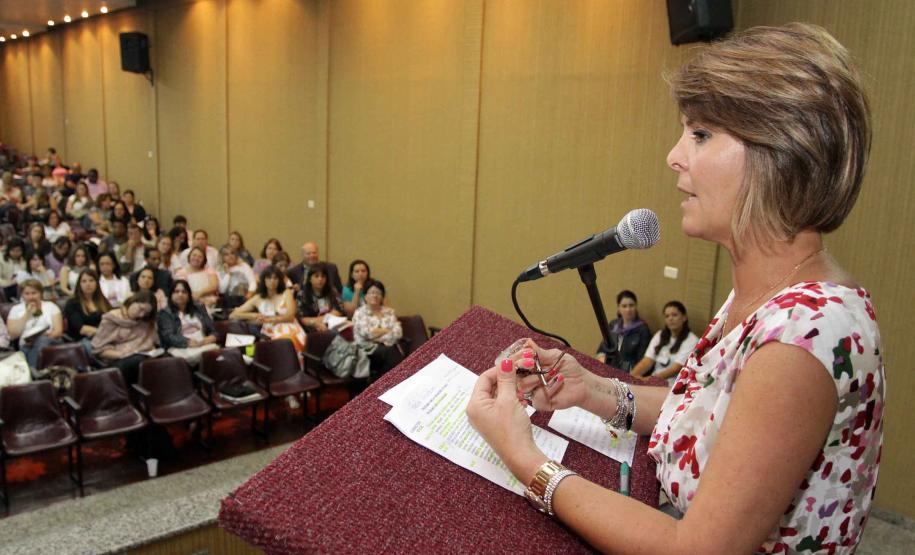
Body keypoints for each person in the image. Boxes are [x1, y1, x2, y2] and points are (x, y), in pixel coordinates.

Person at [465, 23, 884, 554]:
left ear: (780, 154)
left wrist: (524, 459)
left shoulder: (801, 341)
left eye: (701, 134)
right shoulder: (774, 291)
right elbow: (706, 416)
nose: (674, 155)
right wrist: (591, 391)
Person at [230, 266, 307, 354]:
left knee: (288, 339)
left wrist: (267, 319)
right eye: (269, 278)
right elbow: (233, 315)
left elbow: (290, 317)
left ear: (280, 280)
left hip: (291, 328)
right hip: (270, 331)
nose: (272, 281)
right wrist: (253, 315)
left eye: (275, 278)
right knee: (280, 343)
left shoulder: (287, 292)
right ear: (264, 280)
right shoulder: (258, 298)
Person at [91, 290, 158, 385]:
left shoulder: (144, 321)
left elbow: (150, 342)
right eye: (141, 309)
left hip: (140, 357)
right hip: (116, 360)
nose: (141, 314)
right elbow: (99, 350)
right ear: (132, 301)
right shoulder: (111, 319)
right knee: (137, 361)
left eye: (146, 313)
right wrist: (123, 354)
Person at [630, 301, 699, 385]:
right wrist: (632, 377)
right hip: (653, 383)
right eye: (667, 316)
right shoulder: (660, 335)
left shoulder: (692, 340)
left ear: (684, 317)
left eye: (674, 315)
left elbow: (675, 369)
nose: (670, 318)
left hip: (673, 386)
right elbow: (647, 361)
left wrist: (646, 380)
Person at [157, 280, 218, 366]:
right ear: (170, 295)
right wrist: (188, 342)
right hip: (181, 347)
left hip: (203, 344)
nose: (180, 294)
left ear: (189, 295)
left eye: (184, 292)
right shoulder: (165, 313)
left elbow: (213, 331)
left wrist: (209, 339)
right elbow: (168, 336)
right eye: (176, 291)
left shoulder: (199, 308)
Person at [6, 279, 63, 368]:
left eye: (34, 293)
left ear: (40, 293)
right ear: (22, 295)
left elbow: (58, 331)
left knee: (41, 341)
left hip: (50, 341)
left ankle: (33, 372)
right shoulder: (15, 310)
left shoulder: (51, 306)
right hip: (26, 345)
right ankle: (36, 373)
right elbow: (13, 335)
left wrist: (40, 338)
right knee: (26, 350)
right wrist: (27, 314)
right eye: (27, 294)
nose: (31, 297)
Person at [352, 280, 402, 377]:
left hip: (387, 347)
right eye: (371, 293)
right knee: (390, 354)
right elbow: (366, 333)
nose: (375, 295)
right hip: (366, 349)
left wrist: (377, 334)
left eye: (378, 293)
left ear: (382, 296)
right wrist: (387, 331)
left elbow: (398, 333)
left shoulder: (389, 312)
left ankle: (381, 384)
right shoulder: (360, 313)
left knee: (389, 354)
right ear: (365, 296)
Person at [594, 290, 651, 372]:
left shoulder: (643, 329)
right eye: (624, 306)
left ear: (636, 307)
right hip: (607, 368)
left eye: (631, 305)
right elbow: (601, 351)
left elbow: (641, 361)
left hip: (628, 372)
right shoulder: (613, 325)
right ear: (618, 308)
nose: (628, 309)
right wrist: (604, 363)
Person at [63, 269, 112, 340]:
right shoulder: (72, 303)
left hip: (104, 337)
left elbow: (112, 320)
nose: (88, 284)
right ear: (79, 285)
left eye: (91, 280)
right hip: (83, 340)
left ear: (97, 283)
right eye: (84, 281)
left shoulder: (103, 301)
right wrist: (105, 333)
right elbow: (82, 329)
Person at [297, 262, 345, 332]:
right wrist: (317, 323)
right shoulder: (302, 295)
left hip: (332, 325)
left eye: (323, 276)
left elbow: (339, 310)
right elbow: (302, 318)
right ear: (310, 279)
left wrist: (323, 321)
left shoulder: (332, 291)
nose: (320, 279)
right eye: (316, 276)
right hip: (311, 328)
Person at [174, 246, 219, 310]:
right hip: (191, 304)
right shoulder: (181, 273)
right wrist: (200, 300)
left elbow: (214, 286)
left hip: (212, 303)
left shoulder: (209, 270)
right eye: (194, 255)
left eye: (200, 257)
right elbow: (183, 290)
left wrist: (199, 293)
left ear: (204, 259)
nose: (196, 258)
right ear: (189, 257)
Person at [217, 246, 256, 311]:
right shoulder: (221, 270)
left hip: (246, 296)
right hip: (230, 299)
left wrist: (249, 295)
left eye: (232, 253)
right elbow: (222, 290)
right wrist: (227, 273)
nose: (230, 256)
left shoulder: (244, 266)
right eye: (226, 254)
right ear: (222, 257)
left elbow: (252, 282)